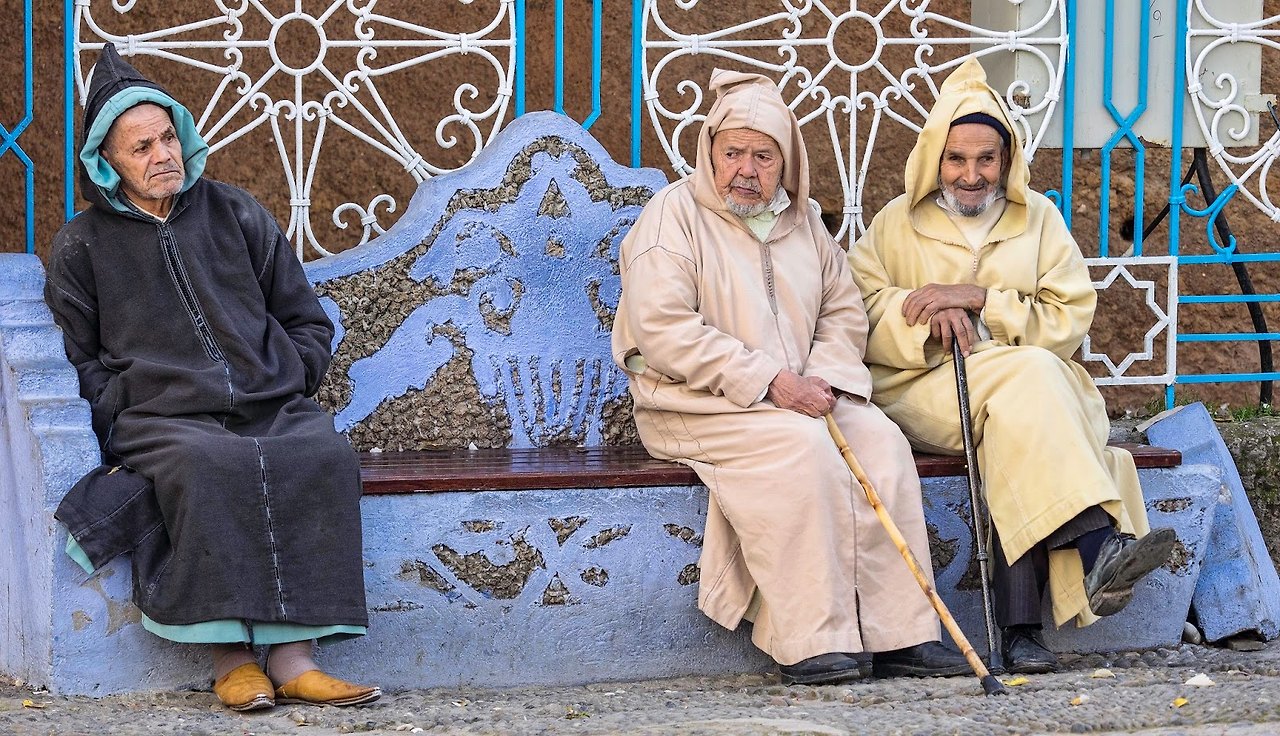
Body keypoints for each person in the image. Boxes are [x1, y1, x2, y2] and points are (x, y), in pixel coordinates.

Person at [45, 45, 379, 711]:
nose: (161, 154)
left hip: (271, 402)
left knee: (322, 453)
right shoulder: (82, 246)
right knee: (206, 467)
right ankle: (232, 662)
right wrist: (123, 404)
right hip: (165, 419)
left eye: (168, 137)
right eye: (140, 147)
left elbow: (305, 318)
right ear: (104, 162)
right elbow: (81, 357)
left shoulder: (236, 213)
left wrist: (290, 372)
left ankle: (293, 659)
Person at [611, 68, 969, 685]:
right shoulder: (672, 217)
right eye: (732, 153)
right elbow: (662, 328)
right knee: (803, 449)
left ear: (786, 163)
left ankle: (898, 633)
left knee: (880, 443)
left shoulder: (803, 222)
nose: (745, 170)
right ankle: (810, 639)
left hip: (800, 393)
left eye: (762, 156)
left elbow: (842, 308)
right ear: (710, 152)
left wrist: (825, 378)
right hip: (695, 402)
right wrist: (770, 381)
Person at [849, 58, 1176, 675]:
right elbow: (857, 306)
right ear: (935, 161)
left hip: (1025, 390)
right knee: (1028, 384)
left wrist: (979, 301)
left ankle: (1019, 636)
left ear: (1008, 161)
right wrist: (922, 313)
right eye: (956, 159)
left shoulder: (1040, 221)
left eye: (986, 159)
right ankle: (1098, 541)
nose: (971, 175)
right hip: (923, 387)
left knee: (1016, 418)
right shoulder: (896, 222)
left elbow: (1071, 315)